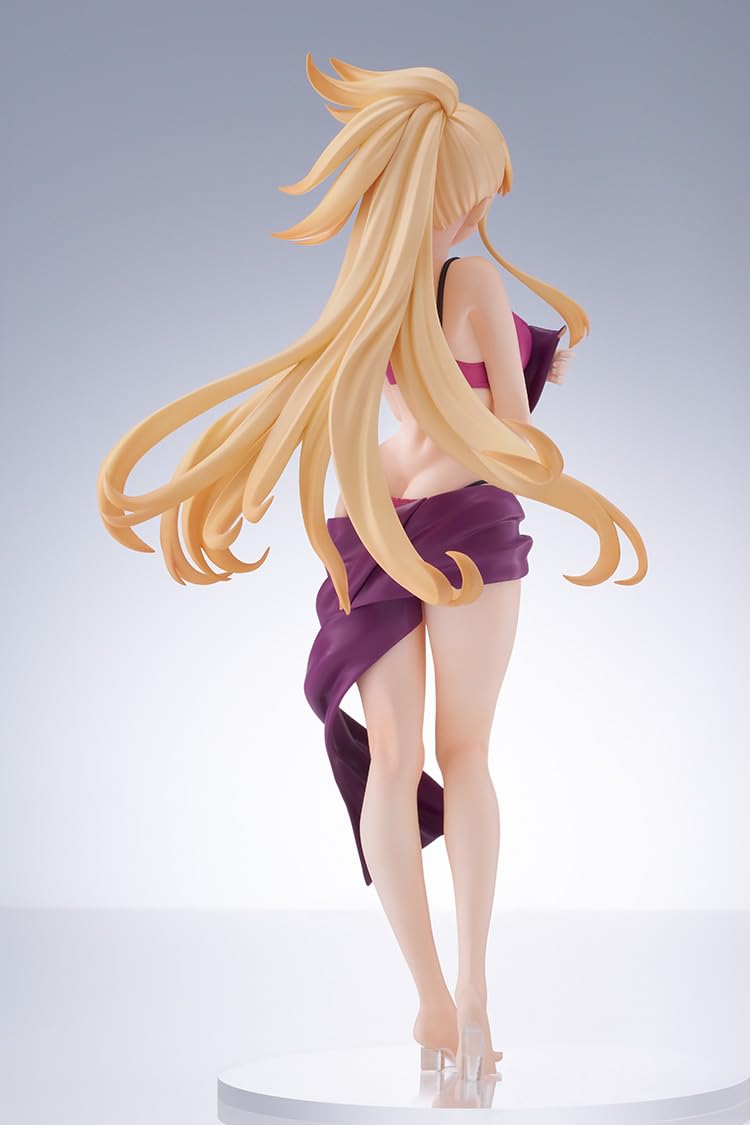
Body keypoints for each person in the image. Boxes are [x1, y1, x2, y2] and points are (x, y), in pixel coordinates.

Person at [96, 54, 648, 1083]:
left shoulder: (367, 291)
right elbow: (508, 433)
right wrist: (539, 374)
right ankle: (473, 993)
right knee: (466, 753)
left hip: (371, 517)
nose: (485, 209)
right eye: (480, 191)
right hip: (466, 519)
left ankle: (430, 1001)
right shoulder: (472, 278)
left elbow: (398, 411)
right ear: (456, 193)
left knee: (393, 762)